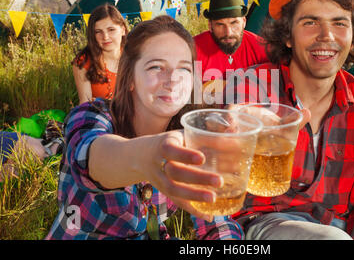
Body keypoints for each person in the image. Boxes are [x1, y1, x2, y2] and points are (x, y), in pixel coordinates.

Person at [194, 0, 354, 240]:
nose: (326, 36)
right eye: (310, 22)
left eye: (339, 23)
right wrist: (239, 124)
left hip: (341, 228)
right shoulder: (252, 85)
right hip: (267, 224)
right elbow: (237, 118)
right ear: (288, 36)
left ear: (353, 36)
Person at [46, 16, 226, 240]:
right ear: (130, 77)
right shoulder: (93, 115)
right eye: (156, 67)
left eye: (184, 68)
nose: (173, 80)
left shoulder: (190, 135)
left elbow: (217, 221)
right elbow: (90, 158)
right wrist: (150, 154)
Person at [194, 0, 268, 83]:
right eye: (220, 24)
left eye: (234, 23)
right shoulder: (193, 50)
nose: (228, 33)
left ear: (244, 22)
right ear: (210, 26)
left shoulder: (263, 48)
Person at [72, 3, 129, 104]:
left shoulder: (134, 56)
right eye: (98, 31)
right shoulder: (83, 61)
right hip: (98, 116)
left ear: (123, 30)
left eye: (111, 30)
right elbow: (85, 103)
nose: (105, 37)